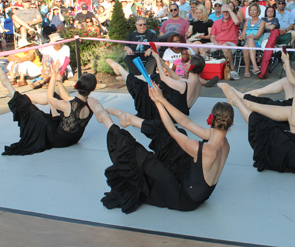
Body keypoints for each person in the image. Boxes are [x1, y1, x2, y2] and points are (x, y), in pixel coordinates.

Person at [88, 89, 233, 214]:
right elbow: (185, 122)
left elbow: (172, 129)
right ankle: (130, 119)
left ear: (212, 118)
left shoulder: (202, 149)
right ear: (229, 123)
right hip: (196, 191)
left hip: (183, 199)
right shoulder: (225, 144)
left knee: (145, 158)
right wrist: (161, 99)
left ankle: (107, 122)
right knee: (177, 132)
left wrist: (158, 102)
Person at [1, 64, 96, 156]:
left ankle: (11, 90)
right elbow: (65, 96)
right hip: (73, 139)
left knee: (35, 114)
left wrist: (53, 76)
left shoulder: (67, 105)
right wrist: (59, 82)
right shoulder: (91, 103)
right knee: (55, 96)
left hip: (58, 140)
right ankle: (19, 96)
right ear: (92, 89)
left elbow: (49, 97)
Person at [107, 52, 204, 122]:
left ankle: (121, 70)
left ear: (190, 65)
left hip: (169, 116)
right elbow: (177, 77)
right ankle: (130, 76)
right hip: (179, 114)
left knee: (143, 87)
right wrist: (164, 66)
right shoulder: (198, 84)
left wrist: (157, 59)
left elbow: (163, 77)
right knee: (156, 79)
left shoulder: (183, 85)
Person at [209, 4, 241, 80]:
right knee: (202, 48)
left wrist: (230, 10)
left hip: (231, 44)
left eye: (227, 11)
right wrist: (216, 44)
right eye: (224, 11)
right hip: (218, 43)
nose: (226, 13)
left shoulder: (234, 20)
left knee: (225, 45)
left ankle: (232, 67)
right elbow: (212, 37)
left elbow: (237, 22)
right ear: (221, 12)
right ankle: (208, 71)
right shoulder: (216, 22)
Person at [241, 3, 265, 77]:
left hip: (257, 43)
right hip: (247, 42)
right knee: (247, 44)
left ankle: (247, 70)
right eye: (251, 10)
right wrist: (249, 37)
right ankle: (254, 66)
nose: (252, 12)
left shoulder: (262, 22)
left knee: (246, 47)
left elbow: (257, 36)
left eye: (254, 10)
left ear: (258, 11)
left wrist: (249, 37)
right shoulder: (246, 22)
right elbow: (242, 36)